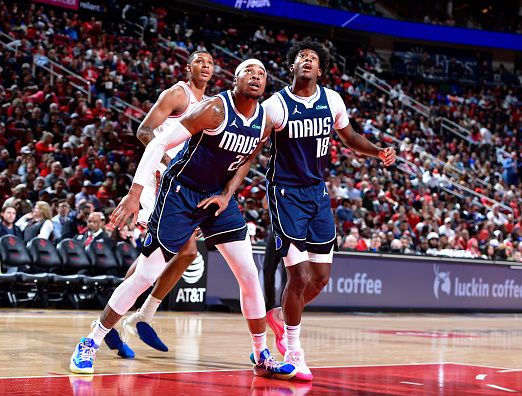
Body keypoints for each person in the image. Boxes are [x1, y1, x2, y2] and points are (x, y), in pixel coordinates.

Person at [70, 59, 296, 380]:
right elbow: (159, 141)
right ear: (235, 79)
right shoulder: (214, 109)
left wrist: (228, 193)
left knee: (248, 273)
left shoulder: (263, 121)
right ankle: (90, 339)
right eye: (250, 71)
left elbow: (247, 158)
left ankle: (261, 354)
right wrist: (134, 194)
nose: (257, 77)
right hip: (180, 191)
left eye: (262, 73)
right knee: (146, 274)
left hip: (215, 197)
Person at [260, 39, 396, 380]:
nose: (307, 60)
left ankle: (280, 316)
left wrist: (377, 151)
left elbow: (349, 138)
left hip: (318, 195)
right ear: (292, 66)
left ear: (320, 69)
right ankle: (294, 351)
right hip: (285, 194)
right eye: (302, 57)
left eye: (314, 58)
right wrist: (226, 185)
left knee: (320, 279)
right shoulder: (276, 105)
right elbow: (252, 143)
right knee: (300, 276)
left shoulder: (332, 99)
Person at [117, 50, 215, 352]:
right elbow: (144, 130)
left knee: (182, 254)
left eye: (210, 63)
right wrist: (168, 160)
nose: (205, 66)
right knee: (180, 251)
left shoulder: (211, 106)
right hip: (158, 178)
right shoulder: (177, 93)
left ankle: (131, 317)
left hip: (182, 185)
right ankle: (126, 320)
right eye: (200, 61)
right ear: (188, 68)